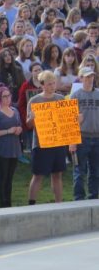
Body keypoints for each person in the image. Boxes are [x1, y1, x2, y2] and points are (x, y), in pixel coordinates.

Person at [26, 71, 70, 204]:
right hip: (41, 144)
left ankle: (58, 203)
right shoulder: (34, 100)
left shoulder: (60, 99)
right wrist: (32, 118)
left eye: (54, 83)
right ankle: (31, 203)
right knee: (38, 175)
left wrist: (74, 119)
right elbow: (28, 125)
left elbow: (66, 122)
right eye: (49, 84)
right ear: (42, 85)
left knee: (57, 174)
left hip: (58, 143)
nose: (52, 86)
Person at [0, 85, 23, 208]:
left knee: (9, 177)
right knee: (2, 176)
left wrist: (19, 129)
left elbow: (19, 125)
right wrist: (8, 131)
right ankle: (2, 203)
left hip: (14, 148)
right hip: (1, 149)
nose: (7, 98)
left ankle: (8, 201)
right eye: (4, 96)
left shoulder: (15, 110)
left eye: (9, 96)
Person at [71, 66, 99, 200]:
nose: (90, 79)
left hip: (97, 137)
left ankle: (93, 197)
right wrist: (72, 141)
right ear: (81, 78)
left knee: (96, 171)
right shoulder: (75, 96)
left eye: (91, 76)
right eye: (87, 77)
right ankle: (78, 199)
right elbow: (69, 121)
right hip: (81, 137)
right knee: (79, 171)